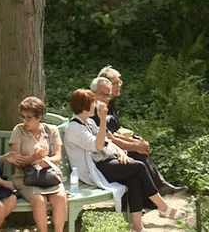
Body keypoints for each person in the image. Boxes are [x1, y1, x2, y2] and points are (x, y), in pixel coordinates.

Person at [64, 89, 185, 232]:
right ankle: (163, 207)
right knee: (139, 167)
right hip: (92, 170)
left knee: (134, 181)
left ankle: (138, 228)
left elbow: (108, 141)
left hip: (103, 163)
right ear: (84, 106)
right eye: (93, 102)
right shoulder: (74, 129)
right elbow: (98, 145)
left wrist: (120, 151)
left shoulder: (88, 122)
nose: (96, 105)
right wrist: (103, 120)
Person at [92, 66, 188, 196]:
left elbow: (115, 132)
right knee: (138, 157)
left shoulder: (110, 104)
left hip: (112, 147)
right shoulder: (97, 108)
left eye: (119, 82)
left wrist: (136, 141)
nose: (119, 85)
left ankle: (159, 188)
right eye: (115, 83)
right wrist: (135, 146)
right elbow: (109, 138)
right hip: (103, 155)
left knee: (141, 151)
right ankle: (156, 191)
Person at [8, 97, 68, 232]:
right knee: (38, 200)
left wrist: (47, 161)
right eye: (22, 117)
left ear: (39, 117)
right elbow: (17, 163)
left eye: (29, 118)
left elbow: (58, 157)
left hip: (49, 176)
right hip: (26, 179)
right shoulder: (19, 131)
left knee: (60, 196)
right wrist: (34, 158)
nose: (24, 121)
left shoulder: (51, 130)